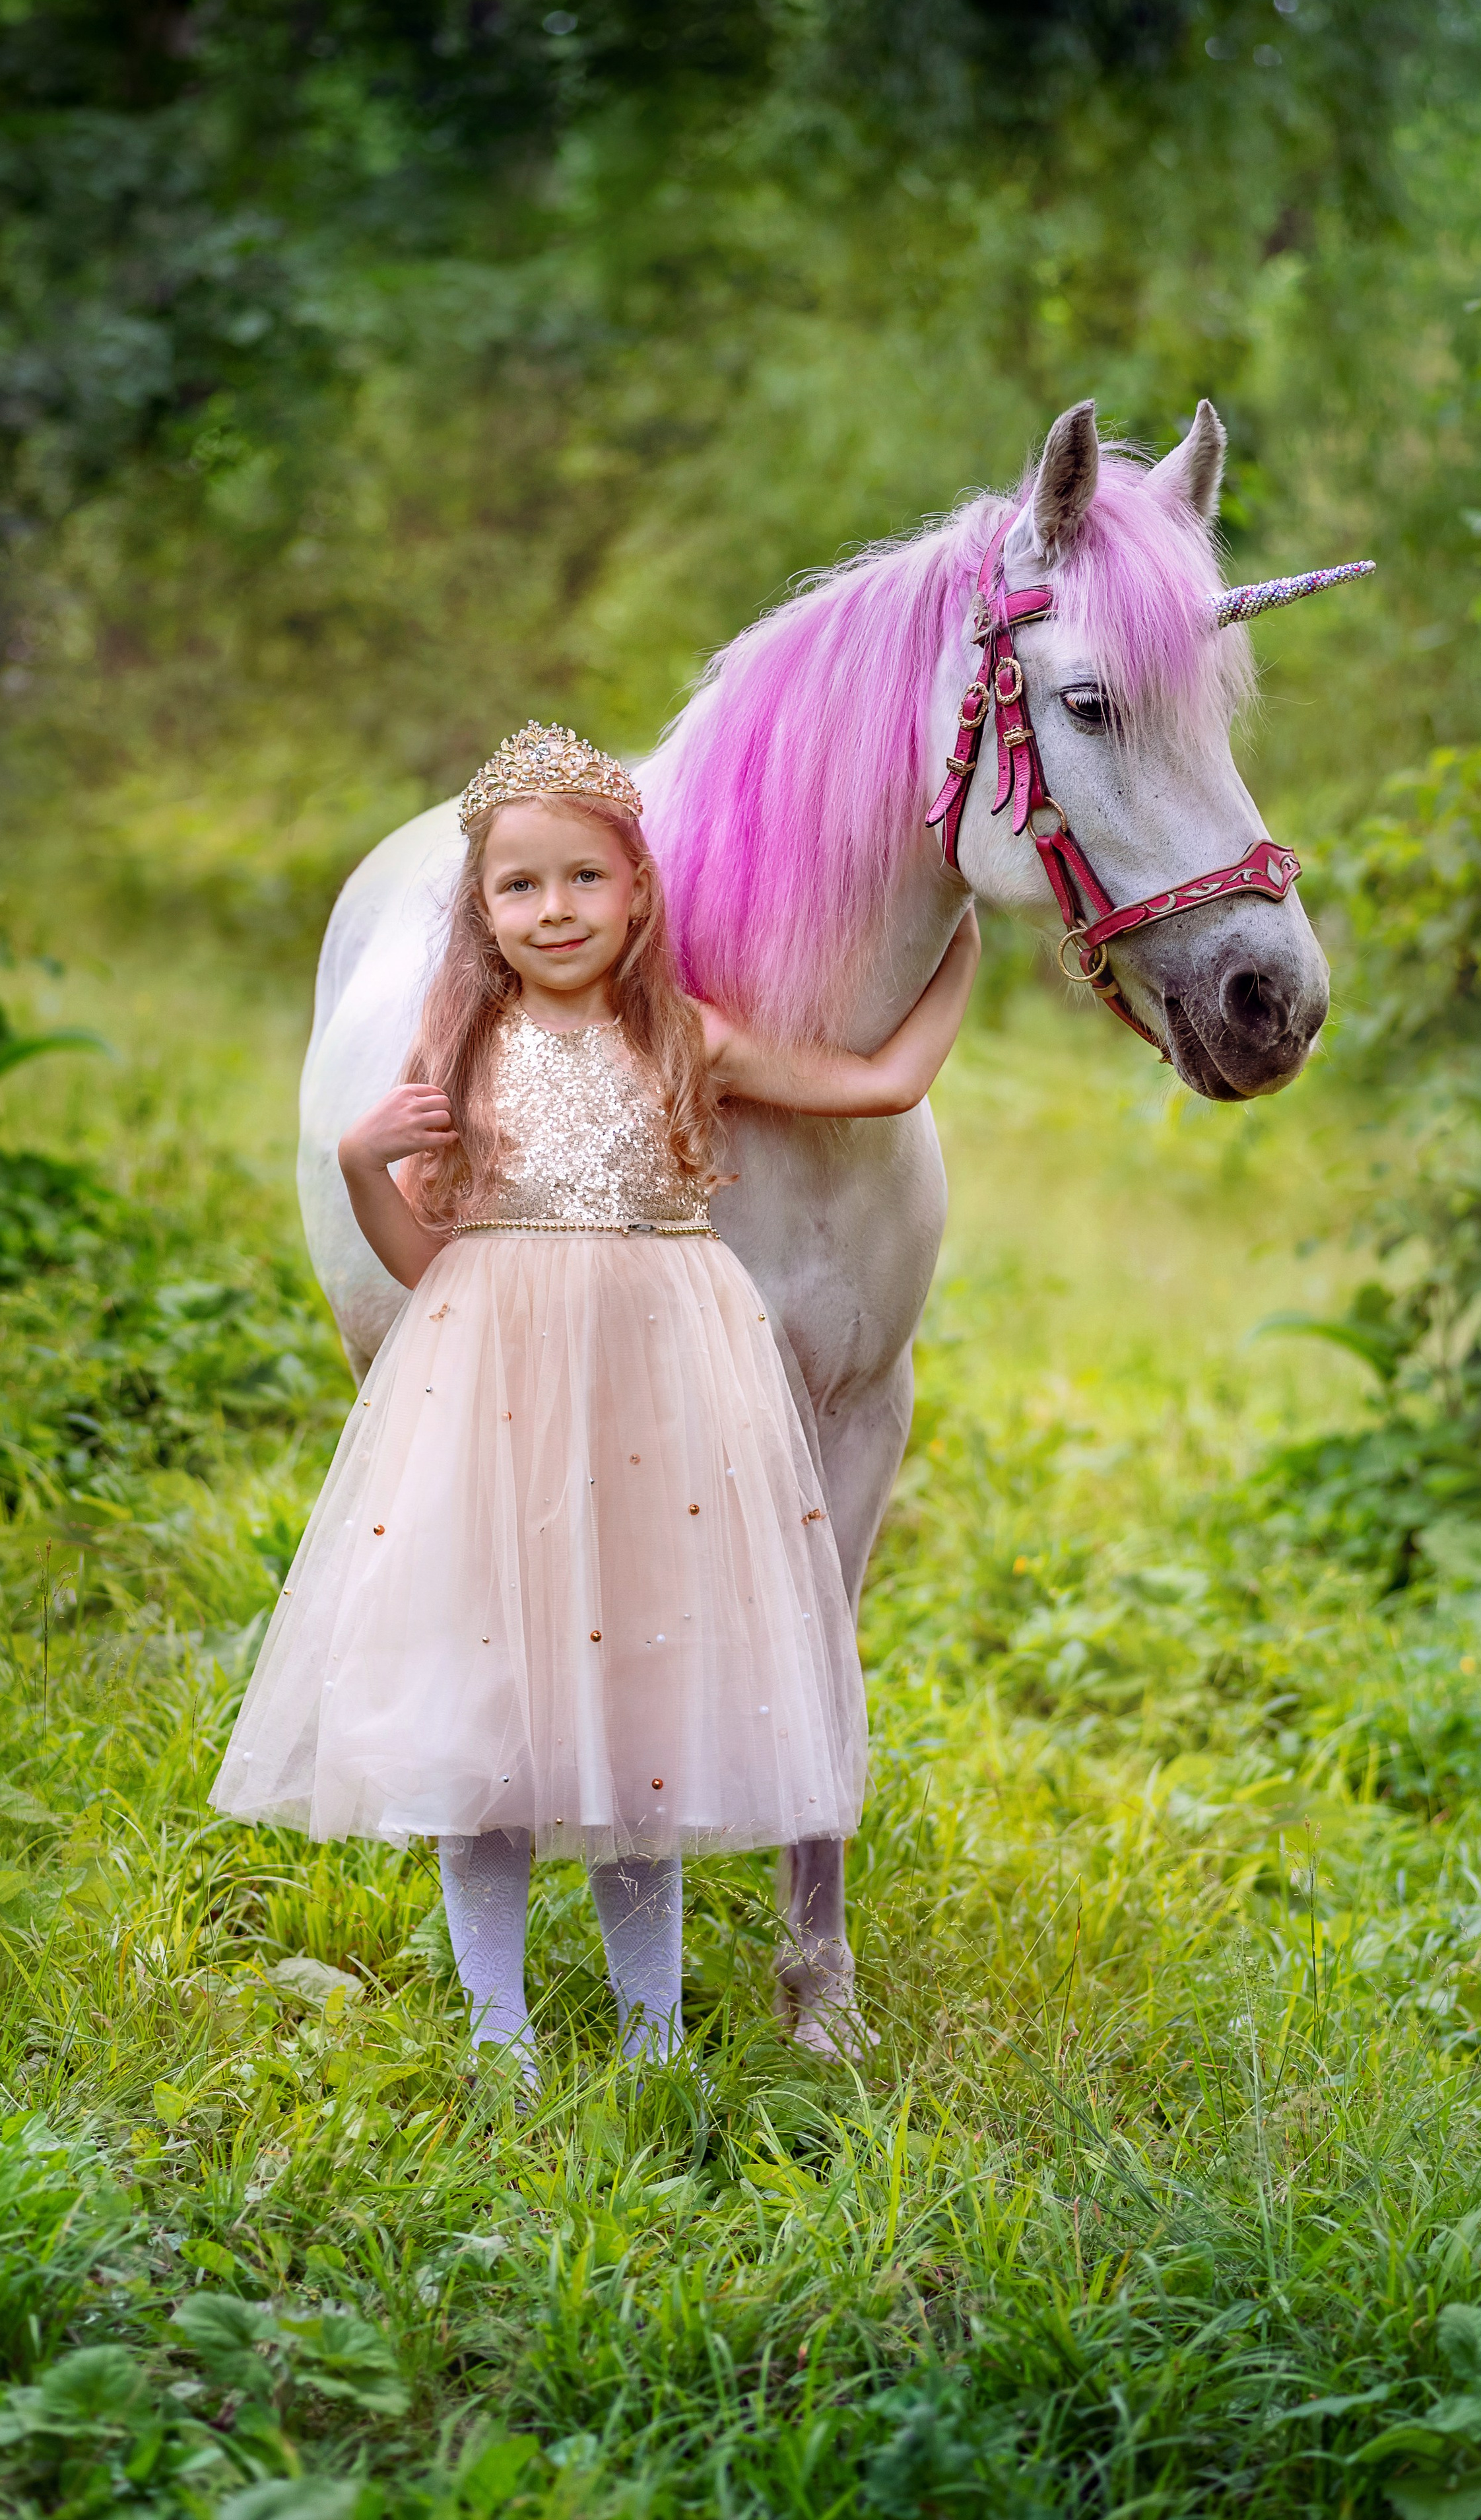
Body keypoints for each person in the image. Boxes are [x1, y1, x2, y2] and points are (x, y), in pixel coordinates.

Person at [212, 720, 979, 2081]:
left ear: (638, 894)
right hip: (503, 1403)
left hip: (657, 1406)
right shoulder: (458, 1056)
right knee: (490, 1693)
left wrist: (954, 945)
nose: (553, 910)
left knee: (642, 1717)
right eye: (520, 886)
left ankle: (653, 2032)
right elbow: (424, 1263)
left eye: (584, 880)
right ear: (479, 906)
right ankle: (496, 2031)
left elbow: (879, 1085)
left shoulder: (687, 1036)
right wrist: (353, 1162)